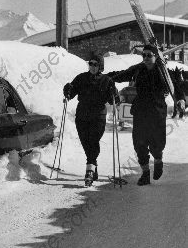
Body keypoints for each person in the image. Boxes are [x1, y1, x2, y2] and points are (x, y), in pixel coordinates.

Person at [107, 44, 186, 185]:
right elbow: (121, 74)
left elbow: (175, 87)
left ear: (156, 56)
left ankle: (158, 160)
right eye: (144, 55)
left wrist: (180, 99)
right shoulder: (138, 69)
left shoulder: (163, 72)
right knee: (139, 144)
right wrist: (106, 78)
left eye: (149, 55)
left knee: (157, 144)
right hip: (140, 112)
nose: (146, 58)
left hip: (157, 112)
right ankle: (145, 173)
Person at [63, 53, 118, 187]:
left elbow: (114, 100)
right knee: (85, 141)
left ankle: (89, 171)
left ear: (101, 66)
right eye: (91, 64)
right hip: (82, 116)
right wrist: (67, 90)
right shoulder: (81, 78)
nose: (92, 67)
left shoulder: (107, 80)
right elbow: (72, 92)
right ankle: (93, 166)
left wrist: (114, 94)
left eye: (96, 64)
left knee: (93, 140)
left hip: (98, 116)